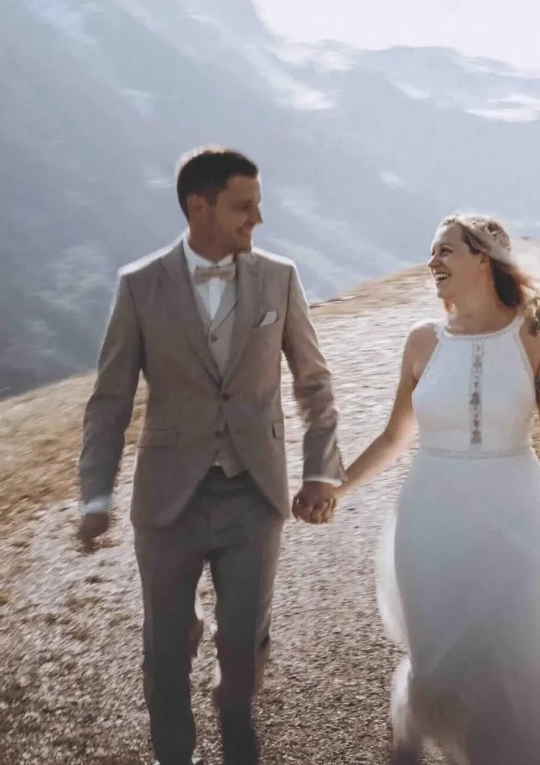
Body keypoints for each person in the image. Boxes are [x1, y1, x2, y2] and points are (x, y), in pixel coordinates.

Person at [336, 213, 540, 765]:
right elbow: (395, 436)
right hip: (429, 518)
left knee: (509, 660)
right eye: (431, 252)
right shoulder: (421, 341)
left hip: (515, 514)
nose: (432, 262)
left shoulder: (535, 334)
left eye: (445, 251)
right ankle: (410, 743)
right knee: (437, 656)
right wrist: (336, 487)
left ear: (482, 260)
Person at [77, 146, 344, 765]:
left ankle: (239, 739)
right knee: (165, 650)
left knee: (244, 649)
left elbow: (314, 383)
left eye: (258, 204)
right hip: (168, 502)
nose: (258, 218)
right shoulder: (139, 286)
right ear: (199, 207)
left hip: (255, 495)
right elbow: (109, 400)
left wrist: (321, 469)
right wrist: (96, 495)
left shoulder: (280, 277)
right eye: (243, 206)